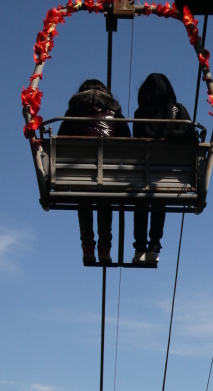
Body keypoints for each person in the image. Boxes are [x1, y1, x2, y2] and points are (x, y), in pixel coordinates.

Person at [57, 79, 131, 264]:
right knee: (105, 200)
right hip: (108, 174)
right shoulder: (115, 114)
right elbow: (129, 144)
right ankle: (104, 249)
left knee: (84, 197)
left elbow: (60, 143)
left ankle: (87, 247)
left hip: (80, 173)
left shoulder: (72, 113)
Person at [132, 73, 197, 263]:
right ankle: (154, 246)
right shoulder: (179, 110)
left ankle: (140, 249)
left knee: (142, 201)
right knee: (159, 197)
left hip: (143, 177)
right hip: (173, 176)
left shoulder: (140, 114)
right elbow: (191, 138)